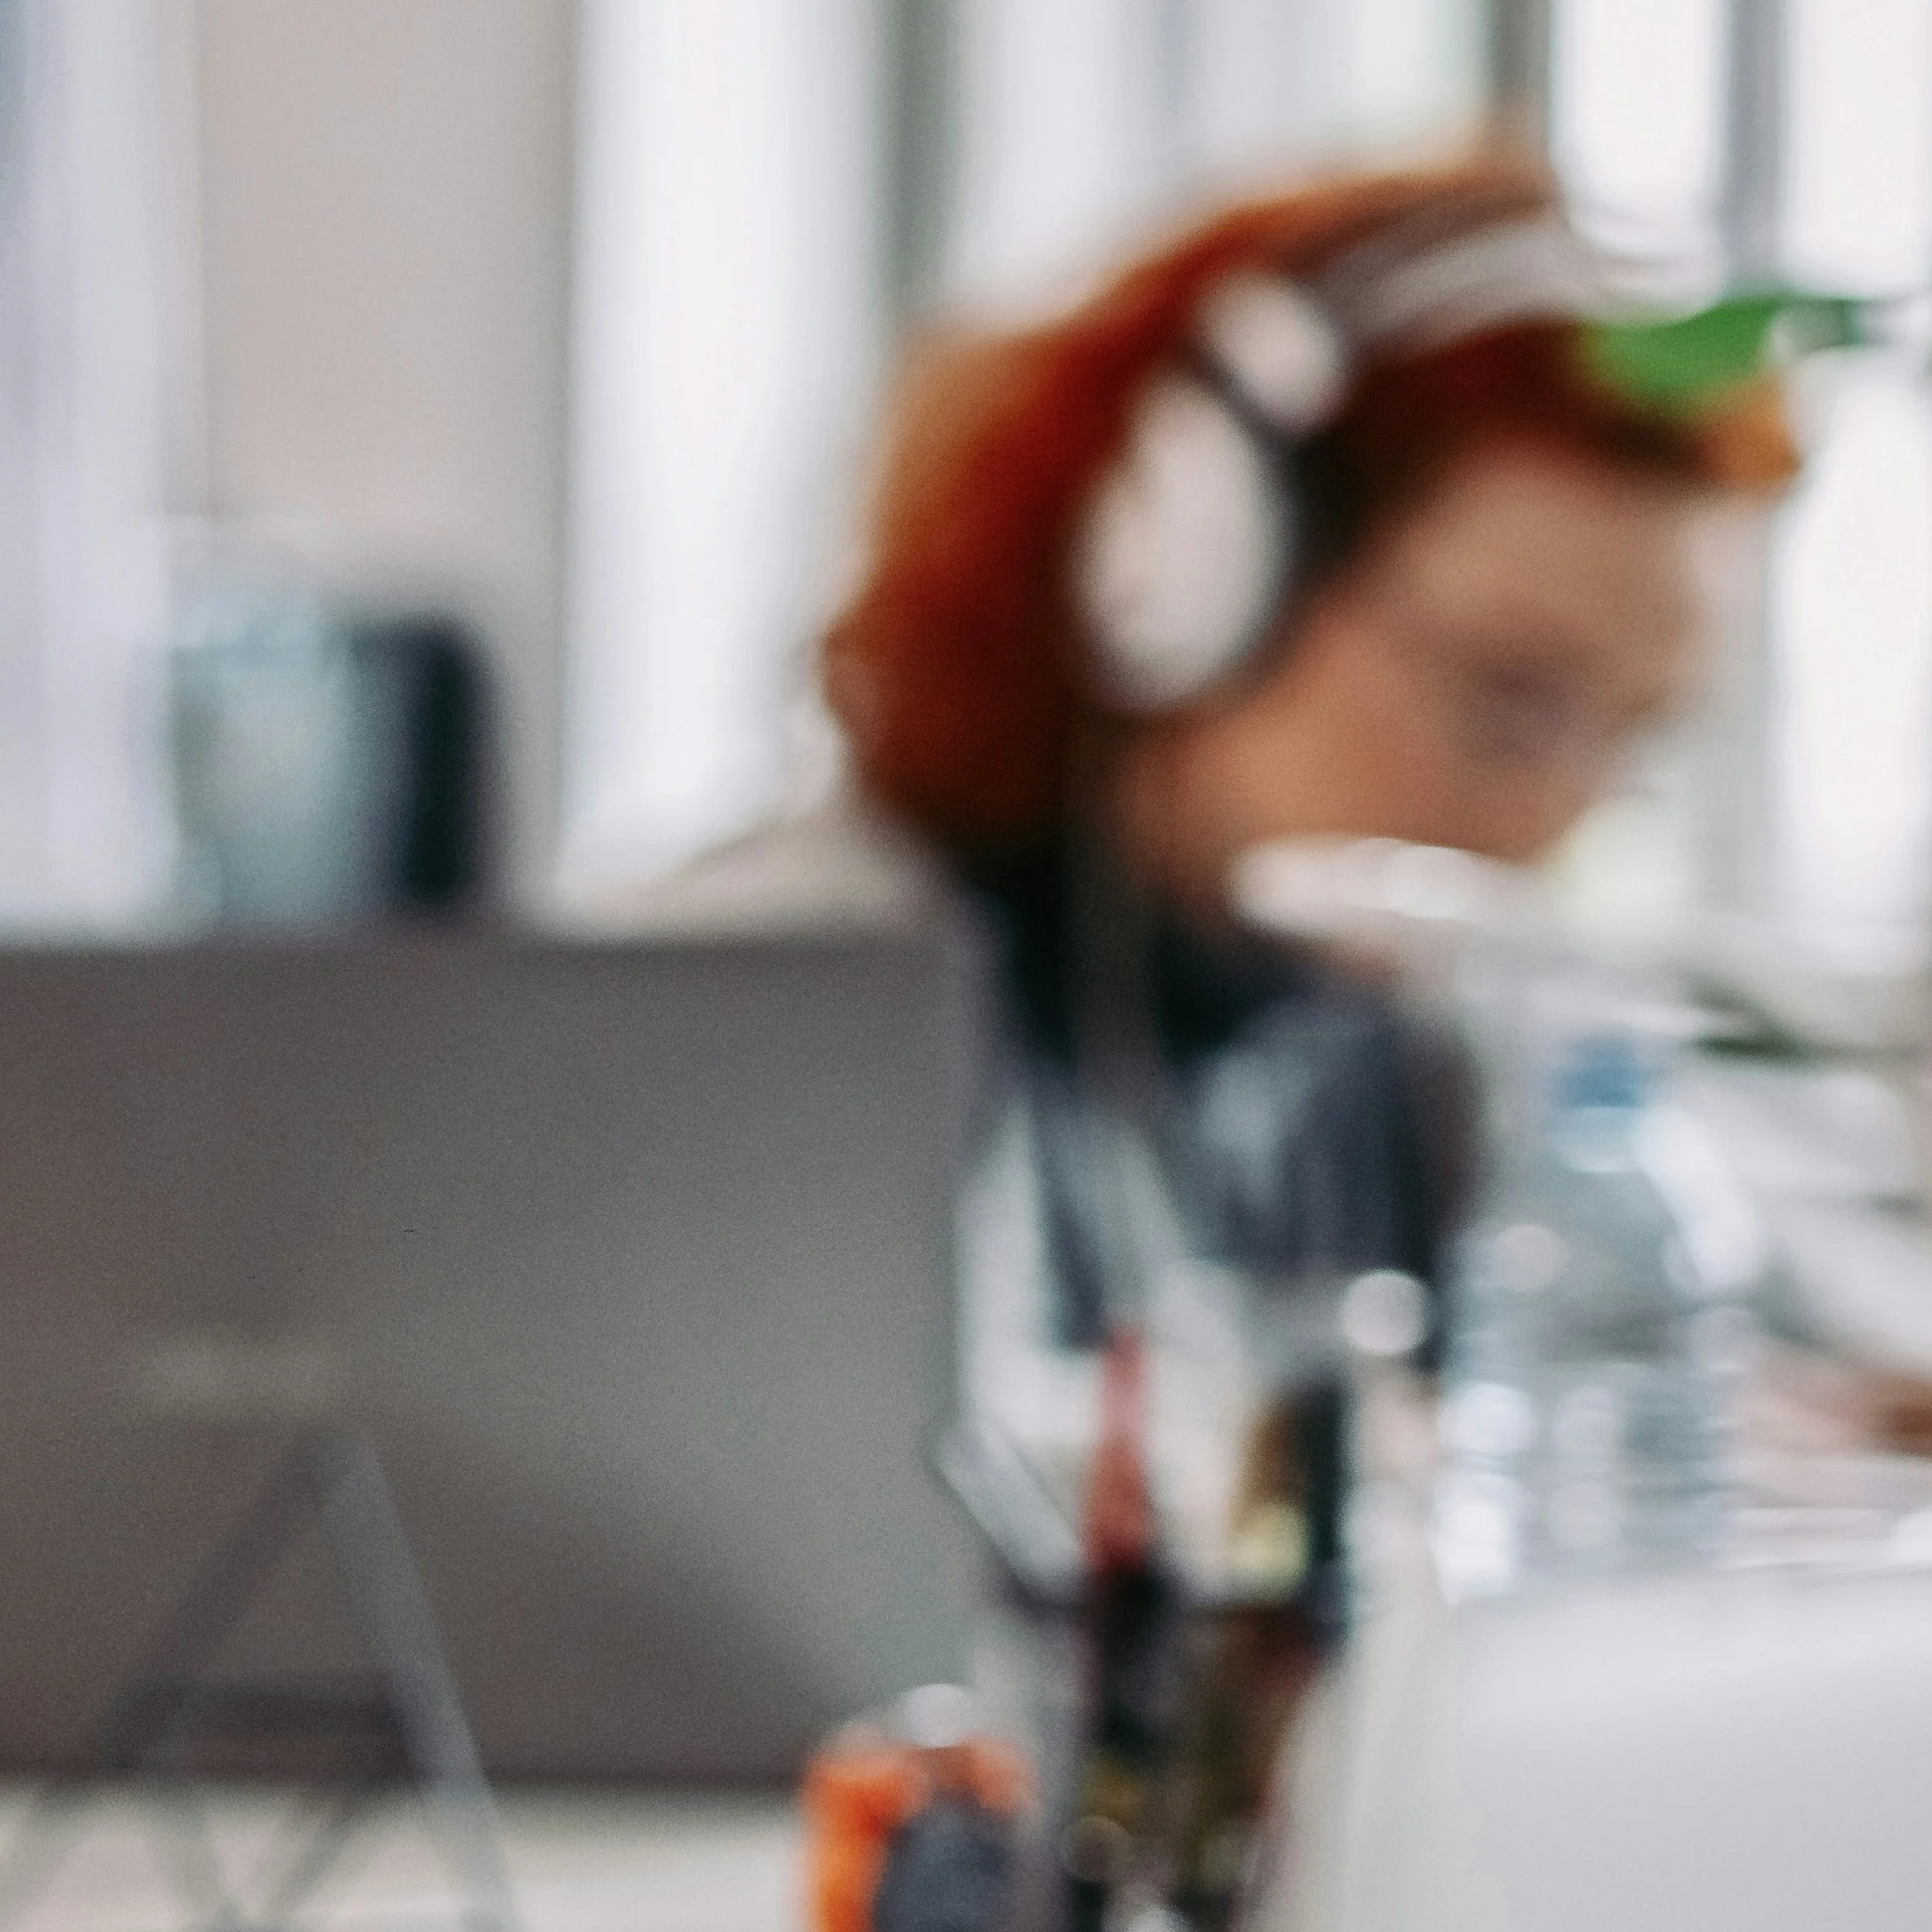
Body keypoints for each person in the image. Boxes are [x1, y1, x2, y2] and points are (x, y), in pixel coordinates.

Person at [613, 157, 1796, 1358]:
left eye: (1631, 737)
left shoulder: (1413, 1051)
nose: (1553, 815)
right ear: (1200, 583)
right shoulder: (748, 1031)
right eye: (1512, 702)